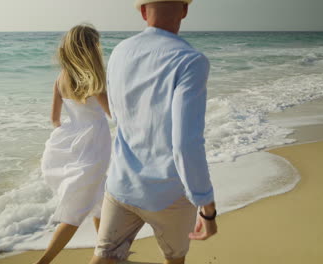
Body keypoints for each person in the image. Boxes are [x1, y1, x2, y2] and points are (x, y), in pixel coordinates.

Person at [89, 1, 217, 264]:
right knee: (174, 260)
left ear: (144, 11)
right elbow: (185, 144)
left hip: (121, 185)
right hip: (169, 194)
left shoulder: (119, 52)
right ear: (184, 10)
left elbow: (117, 113)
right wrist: (207, 207)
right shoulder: (190, 60)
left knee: (103, 259)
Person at [34, 24, 112, 264]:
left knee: (99, 198)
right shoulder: (94, 79)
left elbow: (54, 119)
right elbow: (114, 113)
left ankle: (106, 253)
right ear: (91, 49)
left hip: (75, 143)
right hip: (95, 144)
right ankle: (43, 261)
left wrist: (71, 136)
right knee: (76, 212)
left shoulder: (60, 79)